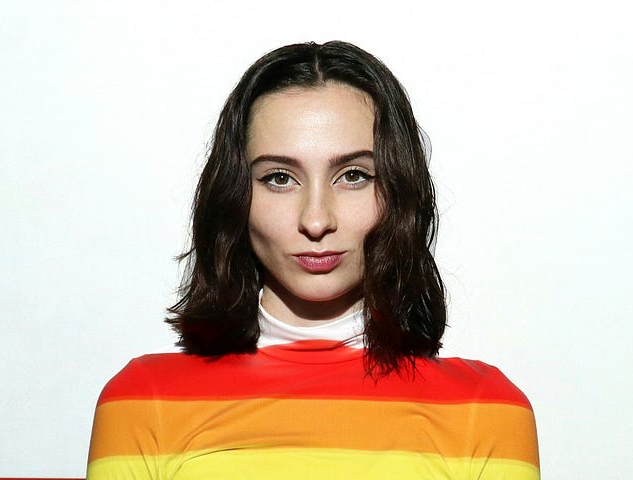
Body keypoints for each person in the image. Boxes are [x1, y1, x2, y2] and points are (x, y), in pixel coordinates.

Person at [86, 41, 539, 479]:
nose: (316, 220)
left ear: (399, 194)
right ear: (234, 197)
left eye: (354, 176)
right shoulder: (143, 401)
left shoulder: (487, 409)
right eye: (280, 178)